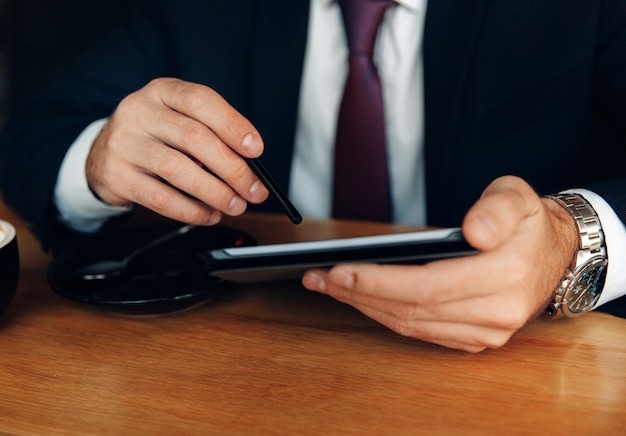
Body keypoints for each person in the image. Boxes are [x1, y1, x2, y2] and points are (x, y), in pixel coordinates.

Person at [1, 0, 625, 352]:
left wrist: (571, 242)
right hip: (252, 348)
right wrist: (99, 157)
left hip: (521, 366)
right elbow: (32, 136)